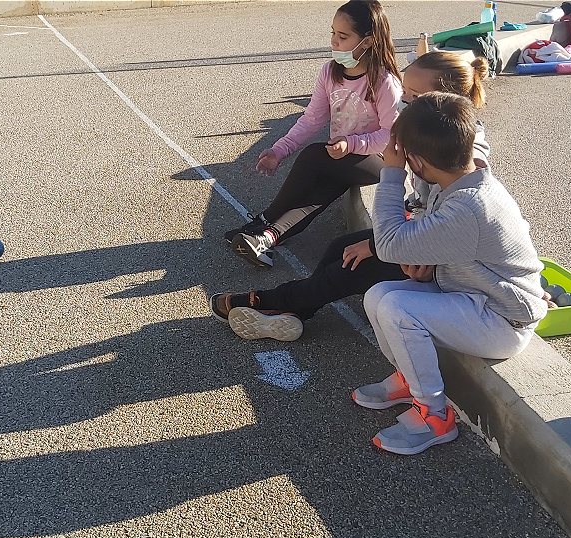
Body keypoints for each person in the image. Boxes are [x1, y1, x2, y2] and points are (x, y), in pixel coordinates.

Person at [210, 51, 492, 341]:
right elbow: (423, 208)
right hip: (425, 247)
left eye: (414, 97)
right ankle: (295, 310)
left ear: (444, 102)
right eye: (405, 94)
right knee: (341, 248)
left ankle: (271, 301)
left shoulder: (463, 153)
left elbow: (454, 218)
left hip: (448, 270)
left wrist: (391, 183)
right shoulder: (431, 135)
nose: (404, 103)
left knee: (354, 265)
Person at [355, 92, 546, 455]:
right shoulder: (462, 181)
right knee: (378, 295)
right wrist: (429, 271)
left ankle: (435, 417)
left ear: (417, 162)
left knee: (398, 310)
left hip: (502, 321)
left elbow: (389, 244)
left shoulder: (470, 206)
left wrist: (391, 174)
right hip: (473, 297)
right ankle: (409, 378)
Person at [224, 0, 401, 268]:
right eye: (333, 33)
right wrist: (278, 151)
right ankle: (265, 239)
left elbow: (390, 135)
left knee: (314, 155)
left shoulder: (384, 82)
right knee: (318, 196)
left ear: (366, 42)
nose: (334, 41)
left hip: (379, 162)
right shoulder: (329, 72)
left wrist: (350, 143)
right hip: (342, 157)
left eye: (343, 36)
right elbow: (311, 119)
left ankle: (262, 220)